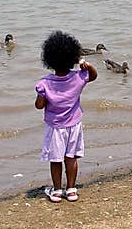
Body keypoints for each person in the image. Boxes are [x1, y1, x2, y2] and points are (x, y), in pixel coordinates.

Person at [34, 30, 98, 203]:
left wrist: (43, 97)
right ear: (73, 58)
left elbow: (39, 106)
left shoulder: (45, 84)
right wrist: (88, 66)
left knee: (55, 159)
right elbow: (93, 76)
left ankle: (56, 191)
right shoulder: (78, 78)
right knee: (71, 158)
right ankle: (71, 189)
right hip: (74, 125)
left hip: (55, 127)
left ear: (49, 60)